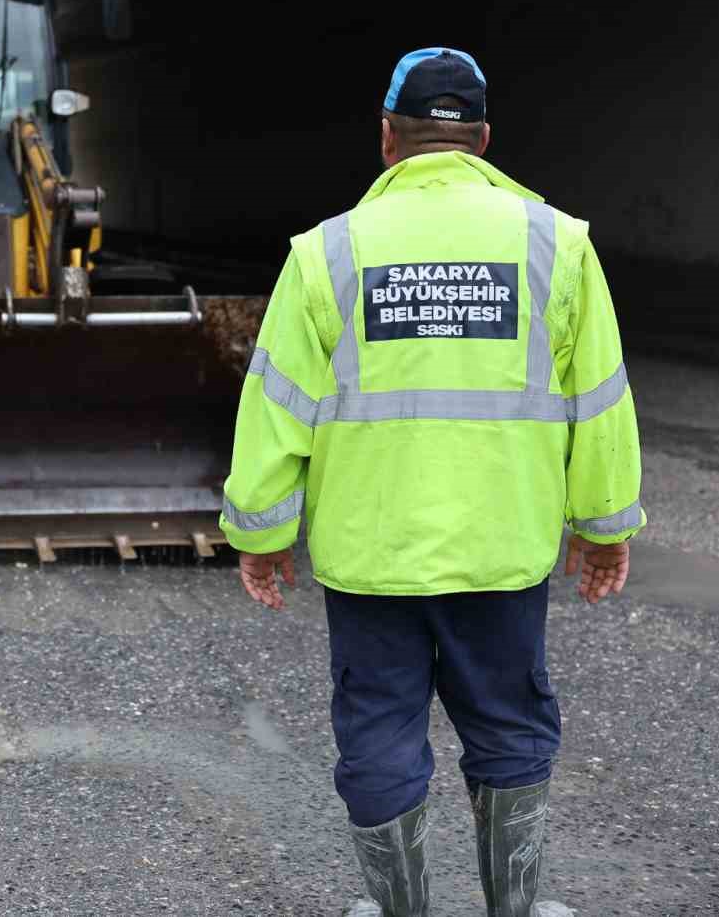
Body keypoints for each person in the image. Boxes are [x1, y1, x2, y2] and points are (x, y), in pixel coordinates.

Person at [219, 47, 643, 917]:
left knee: (378, 730)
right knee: (511, 726)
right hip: (502, 550)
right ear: (483, 140)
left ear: (387, 137)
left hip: (372, 555)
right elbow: (600, 403)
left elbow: (274, 408)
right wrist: (604, 528)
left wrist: (260, 535)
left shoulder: (326, 251)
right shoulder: (557, 244)